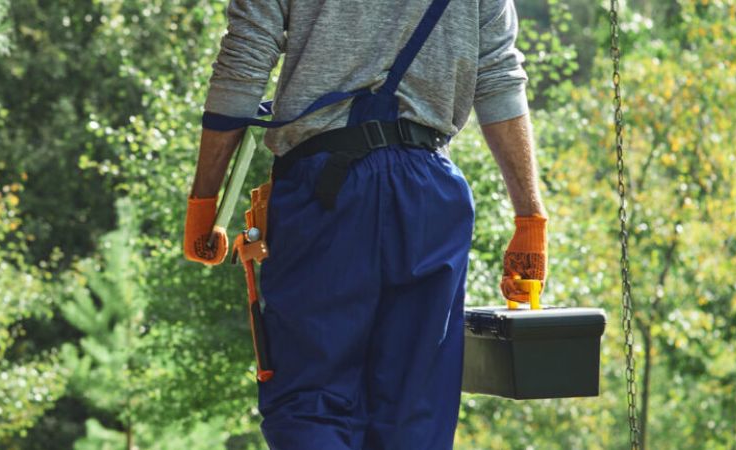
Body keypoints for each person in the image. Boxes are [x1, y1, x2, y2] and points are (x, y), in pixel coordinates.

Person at [181, 0, 546, 447]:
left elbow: (245, 59)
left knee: (311, 403)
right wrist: (529, 216)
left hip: (325, 191)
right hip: (431, 195)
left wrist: (205, 201)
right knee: (416, 413)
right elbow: (497, 76)